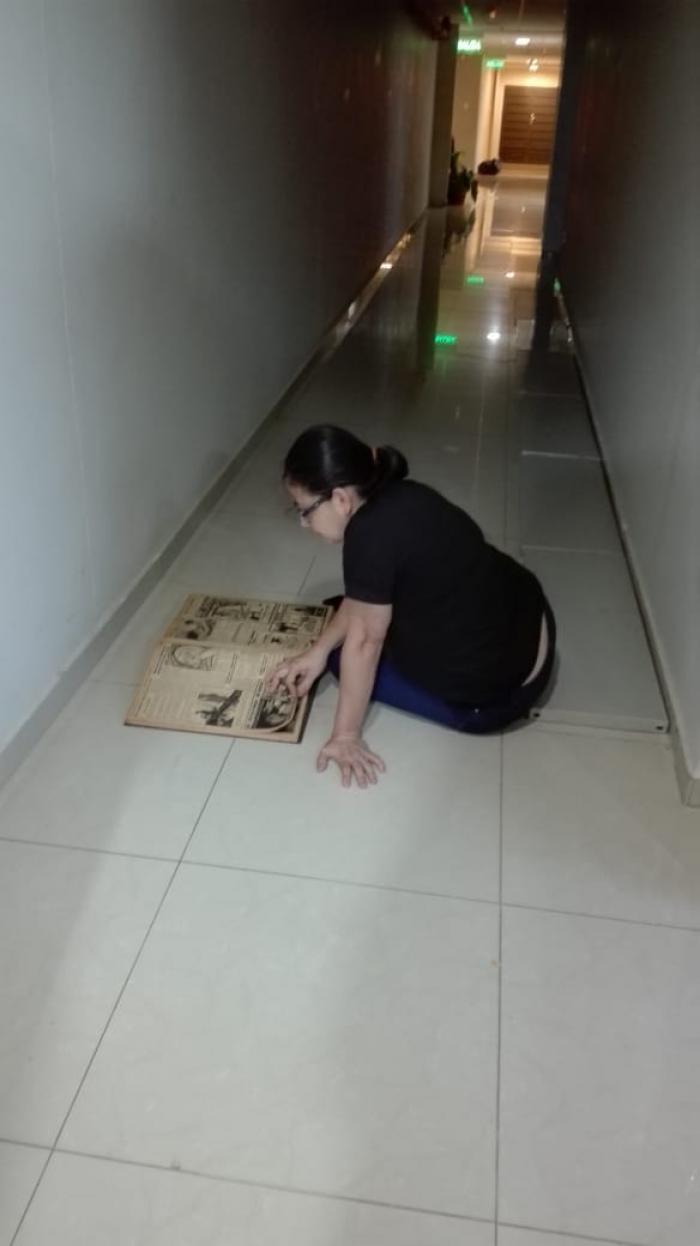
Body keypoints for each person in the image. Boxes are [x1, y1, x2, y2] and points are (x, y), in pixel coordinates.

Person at [269, 425, 556, 789]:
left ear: (340, 499)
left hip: (498, 697)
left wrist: (345, 736)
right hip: (534, 622)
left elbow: (364, 642)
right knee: (351, 618)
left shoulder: (368, 540)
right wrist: (317, 650)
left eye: (305, 511)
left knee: (345, 658)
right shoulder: (404, 491)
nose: (304, 523)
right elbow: (364, 596)